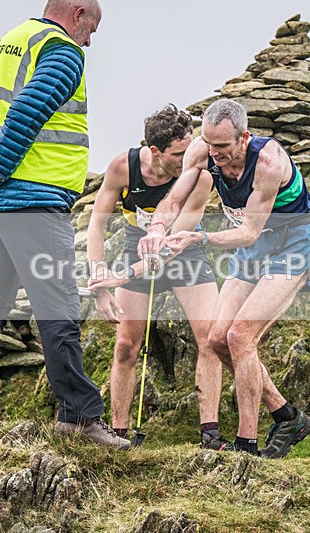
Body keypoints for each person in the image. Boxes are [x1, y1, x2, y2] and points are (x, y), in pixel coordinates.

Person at [0, 0, 131, 449]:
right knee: (59, 308)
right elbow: (26, 115)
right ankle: (80, 417)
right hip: (33, 201)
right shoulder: (62, 51)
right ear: (78, 13)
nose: (89, 42)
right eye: (91, 29)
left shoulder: (12, 42)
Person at [137, 99, 310, 458]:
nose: (214, 153)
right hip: (256, 245)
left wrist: (199, 238)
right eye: (209, 143)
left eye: (222, 146)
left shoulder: (268, 162)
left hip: (294, 240)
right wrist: (157, 227)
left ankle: (245, 446)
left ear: (244, 137)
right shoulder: (202, 150)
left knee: (240, 337)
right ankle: (287, 417)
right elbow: (174, 200)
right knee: (217, 338)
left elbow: (248, 232)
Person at [86, 105, 228, 449]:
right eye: (179, 154)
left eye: (190, 150)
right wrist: (99, 283)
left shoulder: (200, 176)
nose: (188, 160)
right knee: (125, 346)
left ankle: (210, 433)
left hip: (183, 249)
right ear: (155, 151)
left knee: (210, 339)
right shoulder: (123, 167)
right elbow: (97, 224)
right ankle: (118, 435)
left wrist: (121, 277)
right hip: (135, 246)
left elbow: (171, 246)